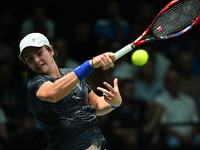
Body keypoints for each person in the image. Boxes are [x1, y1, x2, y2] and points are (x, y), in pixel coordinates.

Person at [18, 32, 122, 150]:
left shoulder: (70, 74)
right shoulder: (35, 83)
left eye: (39, 53)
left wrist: (114, 102)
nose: (36, 60)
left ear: (51, 50)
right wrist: (91, 64)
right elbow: (53, 93)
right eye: (30, 59)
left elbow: (97, 105)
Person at [154, 67, 200, 150]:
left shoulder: (188, 100)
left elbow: (196, 122)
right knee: (173, 143)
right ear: (166, 82)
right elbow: (163, 125)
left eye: (176, 80)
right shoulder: (160, 100)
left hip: (191, 135)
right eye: (171, 80)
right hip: (172, 136)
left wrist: (191, 136)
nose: (174, 83)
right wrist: (181, 137)